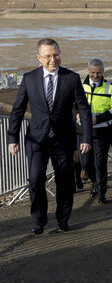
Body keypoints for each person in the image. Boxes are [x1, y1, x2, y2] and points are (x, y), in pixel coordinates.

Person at [7, 38, 92, 235]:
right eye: (48, 56)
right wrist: (12, 139)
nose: (53, 59)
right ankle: (39, 220)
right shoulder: (29, 78)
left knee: (65, 181)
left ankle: (63, 220)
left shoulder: (71, 78)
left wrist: (86, 137)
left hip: (63, 139)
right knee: (35, 179)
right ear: (39, 57)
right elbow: (17, 111)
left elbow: (83, 109)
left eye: (56, 54)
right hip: (37, 139)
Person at [77, 58, 112, 204]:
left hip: (101, 132)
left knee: (100, 164)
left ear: (103, 72)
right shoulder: (78, 86)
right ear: (88, 71)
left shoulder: (111, 88)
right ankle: (95, 184)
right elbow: (71, 105)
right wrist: (76, 114)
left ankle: (102, 193)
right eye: (92, 73)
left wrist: (99, 119)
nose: (96, 76)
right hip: (82, 132)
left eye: (99, 73)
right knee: (85, 163)